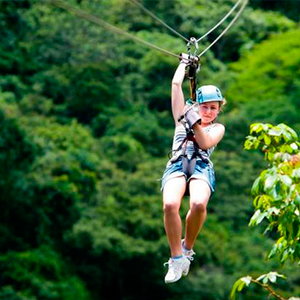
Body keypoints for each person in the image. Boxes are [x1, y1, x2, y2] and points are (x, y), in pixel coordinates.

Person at [161, 54, 226, 284]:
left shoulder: (218, 128)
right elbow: (176, 85)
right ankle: (176, 258)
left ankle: (187, 248)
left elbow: (206, 143)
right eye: (204, 107)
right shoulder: (181, 117)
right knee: (170, 204)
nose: (208, 112)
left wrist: (195, 121)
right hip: (178, 163)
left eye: (213, 108)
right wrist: (184, 63)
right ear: (197, 105)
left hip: (200, 166)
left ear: (218, 111)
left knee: (198, 204)